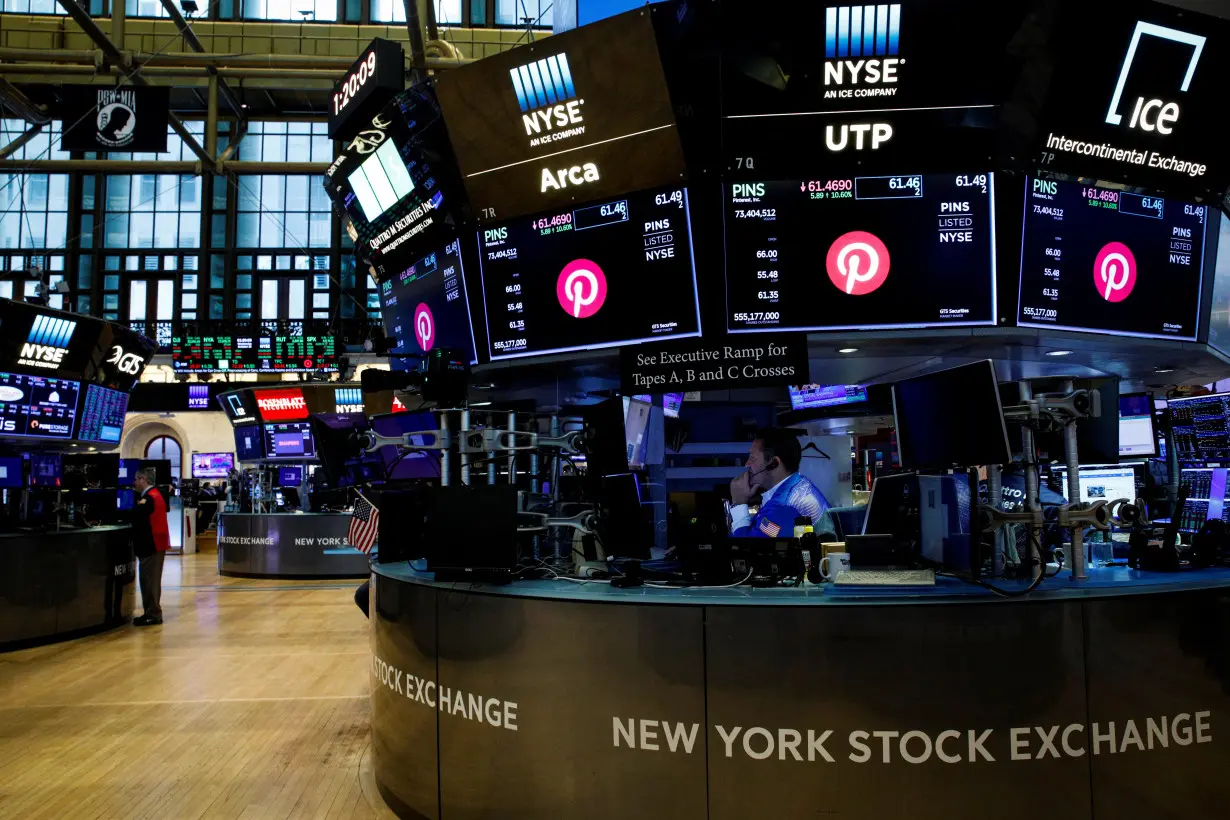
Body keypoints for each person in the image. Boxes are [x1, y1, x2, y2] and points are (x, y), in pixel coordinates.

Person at [729, 428, 830, 538]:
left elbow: (746, 549)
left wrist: (739, 502)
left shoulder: (783, 505)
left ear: (774, 463)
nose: (747, 464)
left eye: (753, 458)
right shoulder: (797, 485)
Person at [130, 467, 170, 626]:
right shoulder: (155, 495)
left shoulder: (149, 498)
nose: (134, 483)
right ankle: (150, 612)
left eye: (136, 480)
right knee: (149, 579)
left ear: (142, 480)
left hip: (152, 544)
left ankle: (153, 614)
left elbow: (137, 516)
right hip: (155, 543)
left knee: (150, 580)